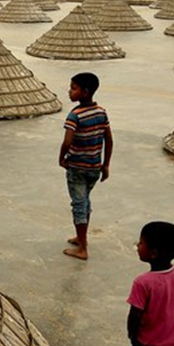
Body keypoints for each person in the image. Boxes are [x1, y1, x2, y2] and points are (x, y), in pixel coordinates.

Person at [59, 72, 112, 260]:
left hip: (77, 168)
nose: (69, 91)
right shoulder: (101, 112)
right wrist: (105, 165)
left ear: (85, 92)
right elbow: (109, 139)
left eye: (73, 88)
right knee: (85, 201)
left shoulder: (75, 115)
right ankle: (81, 237)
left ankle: (82, 249)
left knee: (79, 205)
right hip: (94, 168)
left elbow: (67, 142)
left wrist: (61, 158)